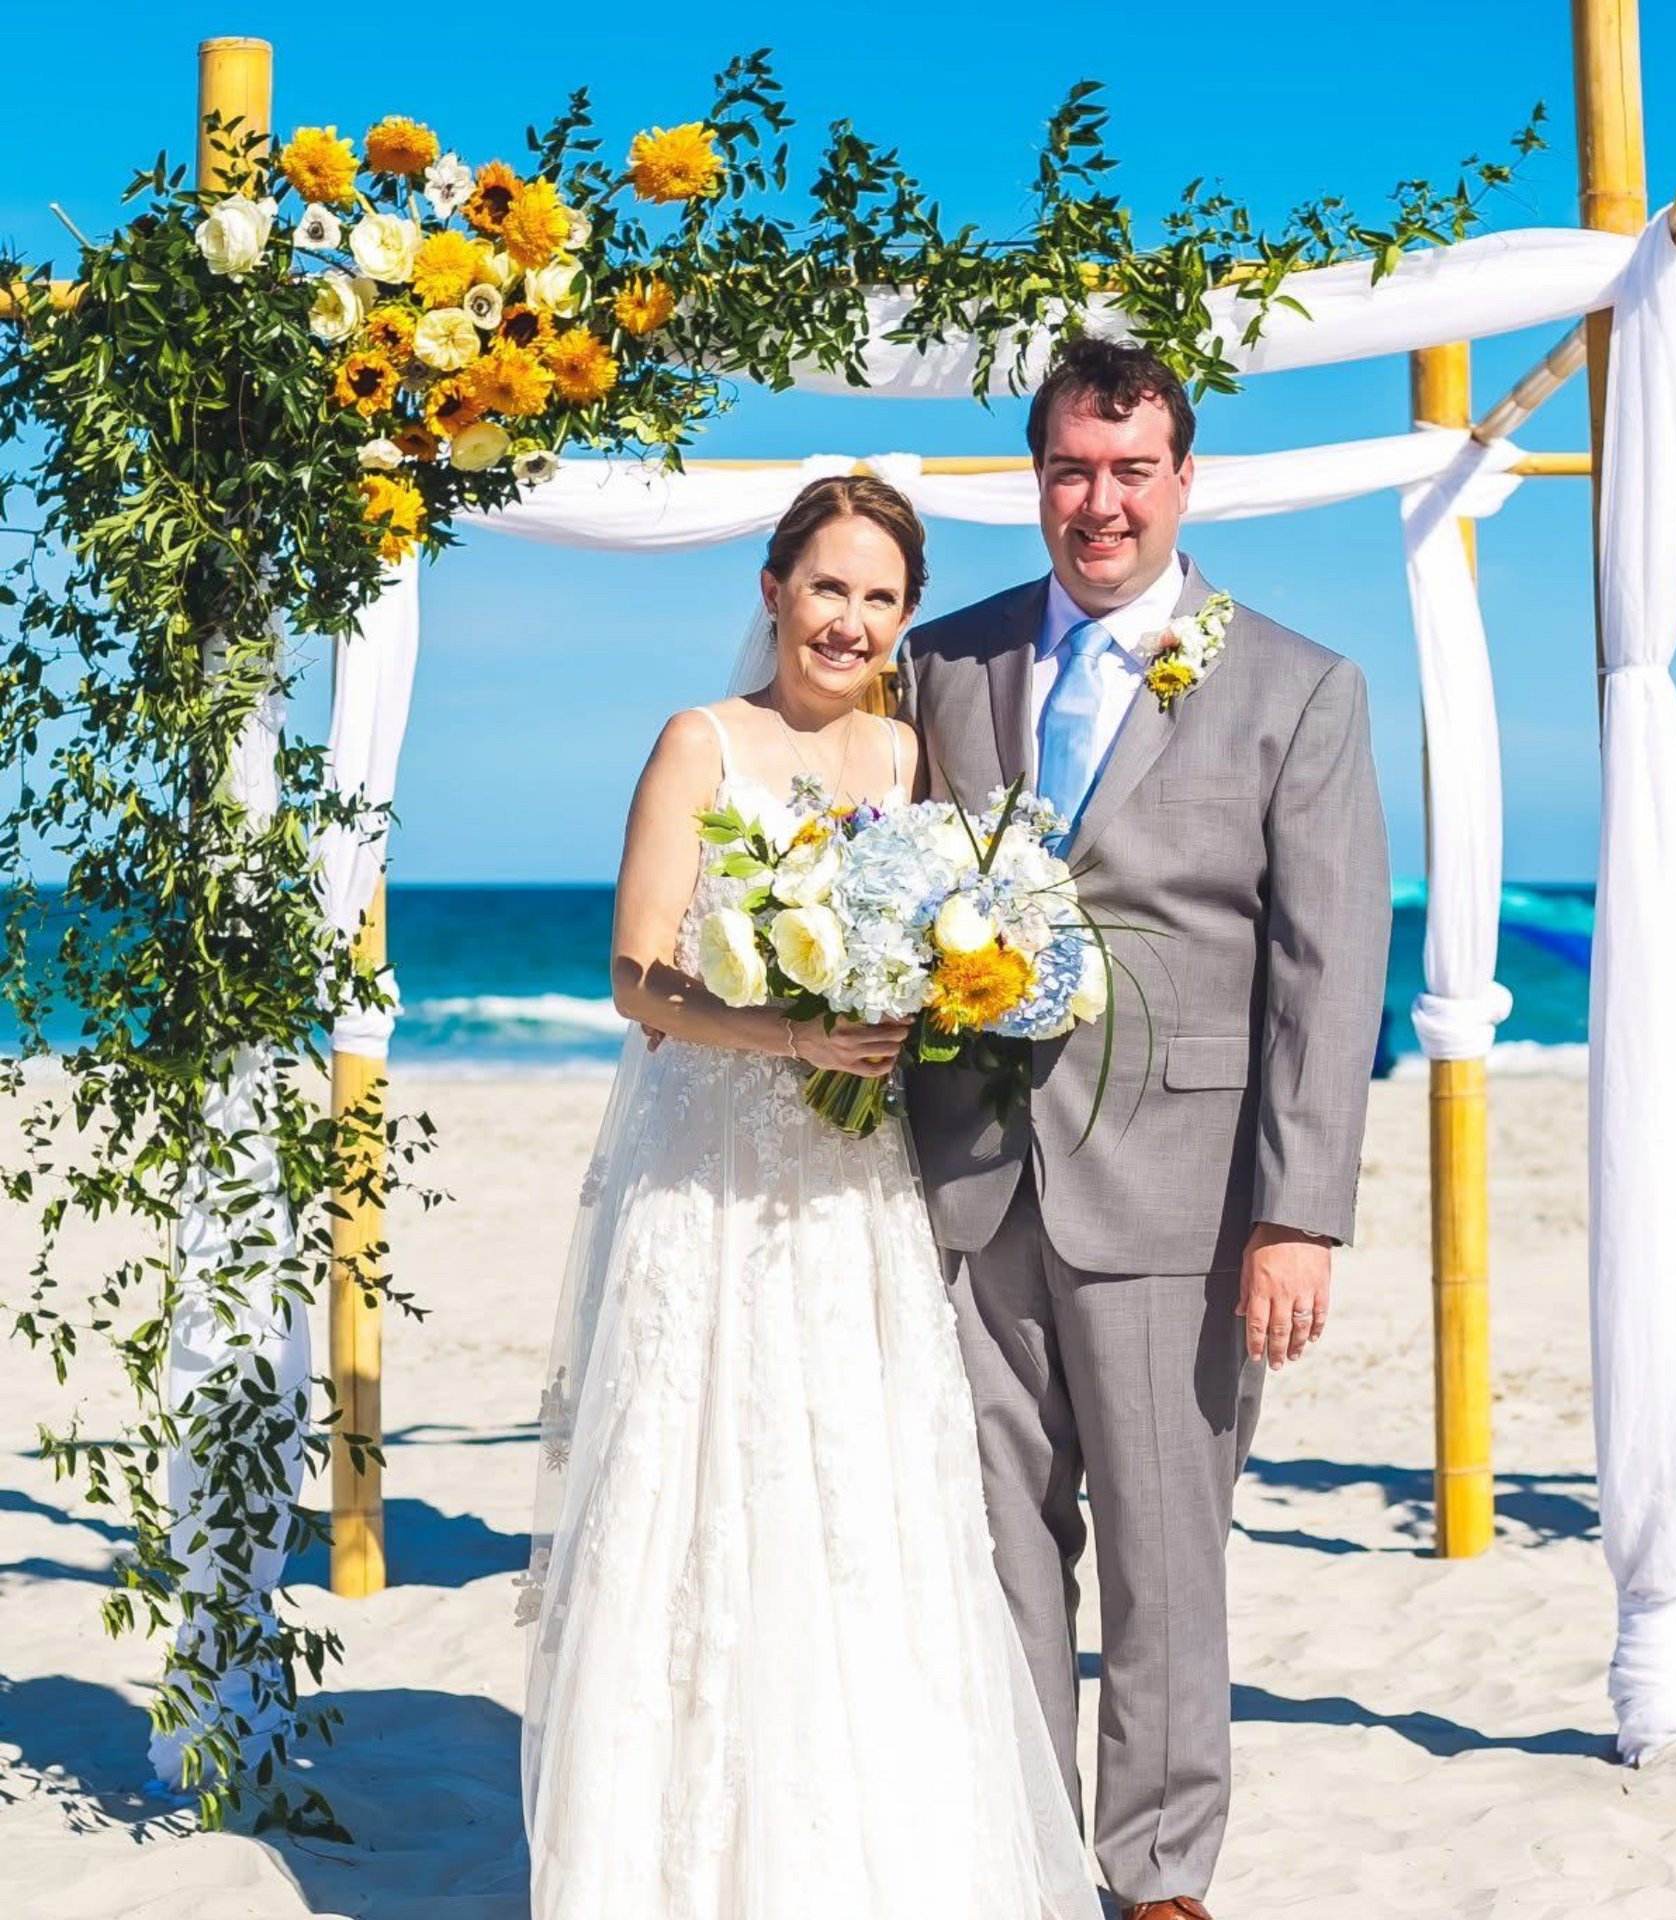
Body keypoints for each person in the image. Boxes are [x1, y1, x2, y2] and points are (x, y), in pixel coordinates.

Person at [519, 475, 1100, 1920]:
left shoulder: (908, 764)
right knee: (702, 1505)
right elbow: (636, 976)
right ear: (772, 589)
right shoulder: (699, 746)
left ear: (904, 620)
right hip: (711, 1185)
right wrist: (791, 1032)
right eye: (826, 586)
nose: (848, 619)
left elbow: (941, 940)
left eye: (879, 596)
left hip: (853, 1197)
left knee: (859, 1515)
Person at [899, 337, 1392, 1920]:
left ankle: (1160, 1881)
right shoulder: (946, 664)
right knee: (999, 1551)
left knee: (1168, 1562)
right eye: (1069, 469)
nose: (1098, 503)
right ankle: (1034, 1856)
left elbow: (1330, 971)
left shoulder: (1300, 686)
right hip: (967, 1184)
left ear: (1188, 483)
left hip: (1184, 1200)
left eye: (1130, 471)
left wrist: (1300, 1215)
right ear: (1035, 480)